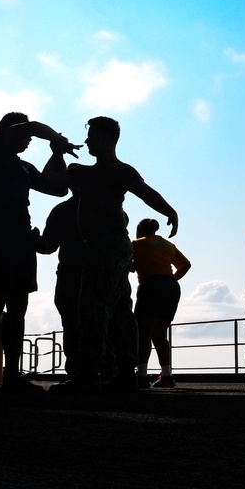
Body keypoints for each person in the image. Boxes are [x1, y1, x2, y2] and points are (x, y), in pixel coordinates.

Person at [50, 116, 180, 395]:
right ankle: (125, 374)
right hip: (118, 247)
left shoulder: (114, 172)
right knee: (121, 311)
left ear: (107, 138)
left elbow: (147, 193)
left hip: (106, 246)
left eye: (92, 136)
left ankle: (88, 375)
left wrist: (169, 210)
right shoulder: (89, 171)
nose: (86, 142)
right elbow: (54, 182)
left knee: (91, 308)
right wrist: (58, 153)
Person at [0, 112, 79, 394]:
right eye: (27, 137)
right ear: (12, 132)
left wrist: (57, 153)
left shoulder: (24, 167)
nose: (30, 141)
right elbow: (32, 126)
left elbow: (57, 189)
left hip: (22, 239)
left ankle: (11, 377)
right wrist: (57, 137)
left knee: (18, 308)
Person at [131, 218, 191, 388]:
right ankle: (167, 376)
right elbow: (185, 265)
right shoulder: (167, 245)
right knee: (159, 334)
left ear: (140, 229)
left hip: (151, 284)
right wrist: (170, 278)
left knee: (143, 332)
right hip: (171, 287)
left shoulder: (137, 243)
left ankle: (141, 376)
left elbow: (127, 263)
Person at [36, 192, 84, 378]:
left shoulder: (61, 211)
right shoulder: (104, 205)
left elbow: (48, 245)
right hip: (100, 272)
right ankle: (110, 371)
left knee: (71, 324)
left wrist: (32, 240)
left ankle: (75, 373)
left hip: (70, 274)